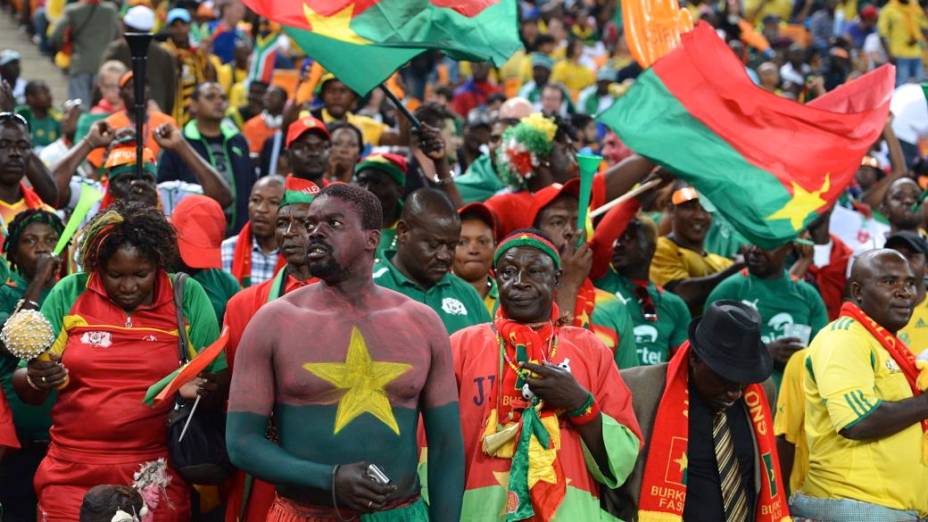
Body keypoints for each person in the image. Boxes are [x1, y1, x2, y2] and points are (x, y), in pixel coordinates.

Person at [227, 183, 465, 521]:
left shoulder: (422, 324)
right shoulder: (272, 322)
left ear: (372, 239)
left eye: (333, 224)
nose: (315, 233)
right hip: (304, 513)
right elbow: (241, 444)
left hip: (399, 513)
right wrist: (329, 479)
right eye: (311, 225)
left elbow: (446, 448)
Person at [11, 203, 226, 521]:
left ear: (159, 264)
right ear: (98, 266)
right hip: (71, 470)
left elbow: (220, 382)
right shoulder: (71, 292)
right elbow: (27, 384)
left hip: (154, 471)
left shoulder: (186, 294)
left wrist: (200, 388)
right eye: (115, 275)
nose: (128, 287)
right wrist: (37, 377)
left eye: (141, 274)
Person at [451, 229, 642, 520]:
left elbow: (622, 459)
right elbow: (433, 449)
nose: (520, 282)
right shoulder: (462, 346)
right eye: (508, 272)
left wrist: (580, 404)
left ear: (556, 279)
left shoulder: (589, 348)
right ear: (495, 277)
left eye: (535, 271)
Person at [618, 300, 788, 522]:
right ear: (694, 358)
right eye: (725, 379)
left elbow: (757, 479)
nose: (735, 393)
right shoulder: (637, 391)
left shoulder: (762, 391)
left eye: (742, 381)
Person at [792, 249, 928, 519]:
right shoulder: (842, 338)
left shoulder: (890, 348)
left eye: (910, 283)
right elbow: (857, 421)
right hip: (853, 508)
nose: (904, 292)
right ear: (858, 291)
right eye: (889, 282)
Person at [221, 176, 321, 522]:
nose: (291, 232)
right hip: (263, 461)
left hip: (329, 459)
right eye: (282, 223)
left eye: (304, 223)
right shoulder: (243, 305)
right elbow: (235, 393)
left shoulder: (354, 303)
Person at [528, 179, 639, 368]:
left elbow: (628, 386)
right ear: (534, 235)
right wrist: (567, 286)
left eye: (578, 221)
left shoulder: (612, 307)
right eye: (557, 222)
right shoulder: (516, 300)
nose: (571, 231)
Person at [0, 209, 64, 521]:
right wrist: (39, 278)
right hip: (16, 446)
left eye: (51, 240)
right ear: (12, 252)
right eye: (30, 241)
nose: (43, 248)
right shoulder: (4, 294)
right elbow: (11, 339)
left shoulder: (71, 293)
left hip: (64, 441)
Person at [51, 122, 232, 219]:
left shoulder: (169, 194)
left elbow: (221, 198)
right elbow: (51, 192)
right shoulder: (91, 195)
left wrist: (181, 146)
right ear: (109, 182)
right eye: (125, 180)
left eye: (146, 179)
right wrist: (89, 142)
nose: (137, 187)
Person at [707, 242, 828, 386]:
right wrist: (763, 353)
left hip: (794, 398)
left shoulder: (808, 295)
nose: (755, 249)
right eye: (749, 240)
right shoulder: (728, 290)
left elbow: (823, 356)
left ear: (788, 247)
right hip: (741, 399)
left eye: (765, 242)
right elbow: (707, 354)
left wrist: (800, 359)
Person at [374, 188, 491, 333]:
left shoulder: (467, 294)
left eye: (451, 246)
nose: (444, 256)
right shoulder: (367, 287)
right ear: (403, 232)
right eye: (433, 245)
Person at [593, 209, 691, 366]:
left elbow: (683, 364)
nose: (618, 244)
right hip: (610, 384)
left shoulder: (675, 305)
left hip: (655, 387)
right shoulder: (602, 281)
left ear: (651, 248)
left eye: (628, 237)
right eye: (617, 239)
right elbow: (601, 240)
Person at [157, 82, 255, 233]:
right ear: (194, 105)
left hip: (238, 233)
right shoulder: (177, 142)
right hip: (194, 232)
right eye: (210, 97)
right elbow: (164, 191)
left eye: (223, 97)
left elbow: (250, 186)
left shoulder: (238, 140)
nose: (219, 102)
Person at [650, 186, 743, 311]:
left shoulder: (722, 263)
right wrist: (735, 270)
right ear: (671, 210)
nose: (699, 216)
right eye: (690, 207)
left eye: (705, 209)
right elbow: (682, 296)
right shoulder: (659, 249)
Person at [171, 195, 240, 322]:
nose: (196, 265)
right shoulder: (150, 276)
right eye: (191, 250)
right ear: (172, 233)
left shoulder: (227, 284)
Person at [101, 5, 177, 115]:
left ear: (126, 26)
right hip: (156, 115)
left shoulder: (116, 50)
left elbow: (101, 82)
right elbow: (171, 91)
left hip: (120, 116)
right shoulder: (164, 54)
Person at [49, 0, 121, 109]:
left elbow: (56, 36)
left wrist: (64, 48)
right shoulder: (111, 10)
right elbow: (118, 35)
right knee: (103, 109)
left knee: (80, 110)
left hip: (80, 64)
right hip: (104, 66)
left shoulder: (73, 10)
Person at [221, 175, 285, 288]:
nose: (261, 209)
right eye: (255, 200)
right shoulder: (227, 249)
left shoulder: (295, 253)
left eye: (273, 202)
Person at [310, 75, 401, 146]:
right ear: (322, 96)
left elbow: (402, 140)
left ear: (353, 98)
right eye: (331, 91)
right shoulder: (308, 118)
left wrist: (402, 104)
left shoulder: (363, 124)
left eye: (343, 91)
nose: (337, 96)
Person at [162, 7, 216, 126]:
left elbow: (209, 77)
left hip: (196, 113)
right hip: (172, 111)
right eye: (175, 25)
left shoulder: (198, 52)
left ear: (189, 26)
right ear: (169, 28)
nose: (179, 29)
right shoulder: (165, 52)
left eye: (183, 24)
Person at [353, 153, 407, 261]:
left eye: (377, 183)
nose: (367, 190)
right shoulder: (344, 224)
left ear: (400, 191)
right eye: (362, 182)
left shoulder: (413, 230)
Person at [453, 202, 498, 314]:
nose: (473, 250)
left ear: (495, 246)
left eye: (482, 242)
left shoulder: (510, 296)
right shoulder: (435, 295)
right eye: (462, 242)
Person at [890, 231, 928, 352]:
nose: (901, 262)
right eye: (894, 256)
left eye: (910, 256)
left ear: (926, 267)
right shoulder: (871, 312)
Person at [73, 60, 127, 143]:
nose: (115, 90)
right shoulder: (89, 118)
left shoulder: (136, 114)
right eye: (109, 86)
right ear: (100, 86)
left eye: (119, 86)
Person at [878, 0, 928, 85]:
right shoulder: (889, 10)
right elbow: (883, 35)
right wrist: (889, 54)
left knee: (921, 84)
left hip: (917, 53)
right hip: (899, 54)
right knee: (902, 84)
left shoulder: (915, 7)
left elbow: (924, 27)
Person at [286, 115, 331, 186]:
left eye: (321, 147)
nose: (315, 153)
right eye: (305, 147)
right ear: (288, 154)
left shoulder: (340, 194)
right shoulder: (277, 194)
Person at [16, 81, 61, 151]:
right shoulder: (22, 115)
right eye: (44, 93)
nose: (49, 96)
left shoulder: (56, 117)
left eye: (48, 92)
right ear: (31, 98)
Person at [242, 85, 286, 154]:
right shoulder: (251, 125)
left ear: (284, 102)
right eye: (267, 94)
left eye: (273, 95)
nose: (268, 98)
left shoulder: (288, 126)